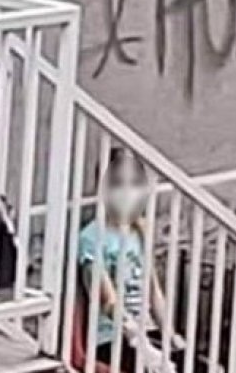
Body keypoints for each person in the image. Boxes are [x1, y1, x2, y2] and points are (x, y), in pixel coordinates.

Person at [78, 149, 186, 373]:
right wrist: (139, 342)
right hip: (112, 337)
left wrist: (169, 334)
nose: (127, 191)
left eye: (135, 183)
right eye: (117, 183)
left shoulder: (140, 231)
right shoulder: (91, 238)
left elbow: (154, 291)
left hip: (147, 330)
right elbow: (108, 301)